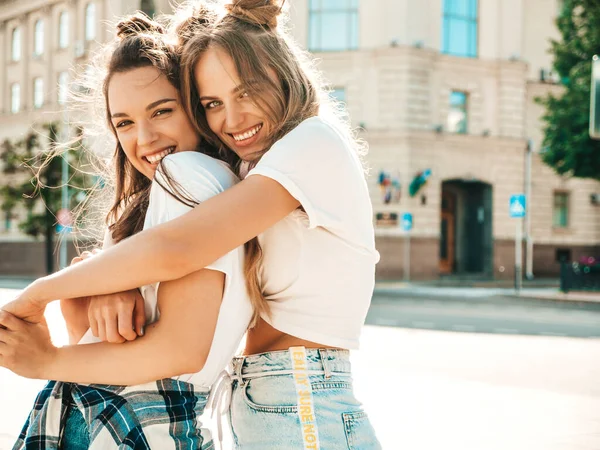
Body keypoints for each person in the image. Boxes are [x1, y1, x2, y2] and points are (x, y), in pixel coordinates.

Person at [2, 1, 382, 448]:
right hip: (264, 397)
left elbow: (178, 249)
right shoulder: (241, 174)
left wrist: (40, 300)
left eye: (248, 91)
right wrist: (113, 279)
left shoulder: (309, 145)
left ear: (285, 73)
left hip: (302, 396)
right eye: (212, 103)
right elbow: (166, 254)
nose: (232, 119)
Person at [0, 12, 256, 449]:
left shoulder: (188, 173)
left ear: (196, 107)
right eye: (124, 123)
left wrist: (45, 360)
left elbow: (180, 351)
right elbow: (94, 338)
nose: (145, 137)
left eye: (162, 111)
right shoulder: (152, 203)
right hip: (108, 416)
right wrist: (104, 284)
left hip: (137, 419)